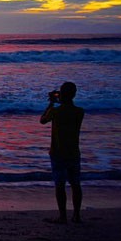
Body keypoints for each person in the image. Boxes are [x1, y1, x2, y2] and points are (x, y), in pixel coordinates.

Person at [40, 81, 85, 223]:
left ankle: (63, 216)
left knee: (60, 185)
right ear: (74, 94)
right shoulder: (79, 112)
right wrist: (60, 99)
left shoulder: (55, 112)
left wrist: (51, 103)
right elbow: (68, 107)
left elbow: (42, 120)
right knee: (75, 184)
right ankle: (76, 215)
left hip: (58, 152)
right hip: (73, 152)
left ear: (62, 94)